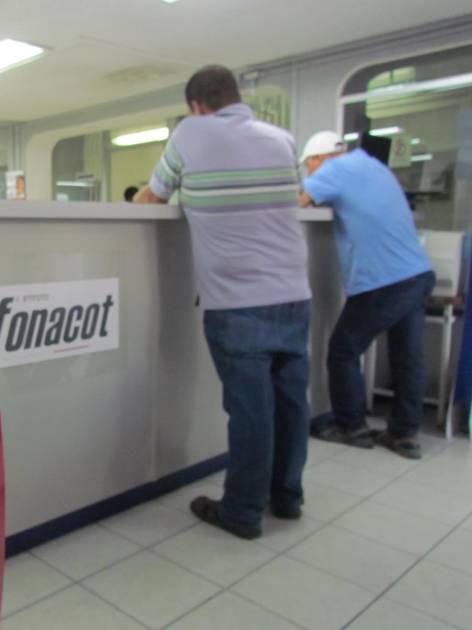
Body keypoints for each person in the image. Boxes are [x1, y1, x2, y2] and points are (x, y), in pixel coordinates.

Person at [135, 65, 311, 540]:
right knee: (291, 405)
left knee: (251, 413)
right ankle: (287, 498)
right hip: (294, 295)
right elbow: (297, 194)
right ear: (236, 97)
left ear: (196, 106)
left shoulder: (190, 133)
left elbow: (154, 198)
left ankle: (242, 512)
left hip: (238, 300)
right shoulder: (282, 139)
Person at [299, 131, 435, 459]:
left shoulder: (333, 169)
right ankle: (404, 435)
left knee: (343, 350)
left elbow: (295, 203)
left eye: (307, 167)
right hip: (418, 274)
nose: (309, 173)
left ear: (318, 158)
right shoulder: (374, 166)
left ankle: (352, 427)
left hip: (383, 281)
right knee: (407, 357)